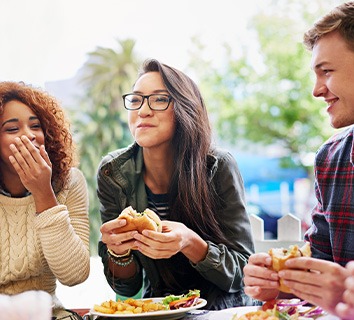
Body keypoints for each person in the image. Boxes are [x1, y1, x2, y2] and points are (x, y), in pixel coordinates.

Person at [97, 58, 256, 310]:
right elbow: (126, 287)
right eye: (136, 100)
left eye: (159, 99)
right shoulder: (113, 173)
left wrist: (191, 243)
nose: (143, 111)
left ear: (185, 109)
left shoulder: (218, 166)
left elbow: (243, 273)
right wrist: (118, 252)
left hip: (223, 310)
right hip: (158, 309)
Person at [243, 1, 354, 316]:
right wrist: (278, 284)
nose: (317, 90)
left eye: (327, 71)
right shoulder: (331, 159)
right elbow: (319, 272)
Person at [0, 81, 90, 318]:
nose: (29, 136)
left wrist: (43, 193)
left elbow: (75, 275)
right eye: (12, 129)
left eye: (36, 126)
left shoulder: (70, 182)